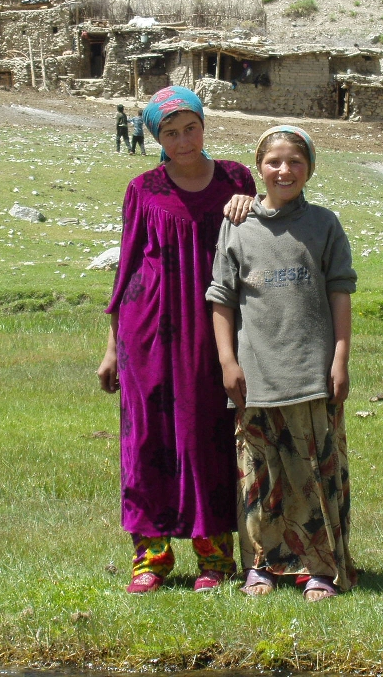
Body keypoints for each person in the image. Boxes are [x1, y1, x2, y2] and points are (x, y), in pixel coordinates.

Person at [97, 86, 257, 594]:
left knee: (207, 432)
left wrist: (248, 203)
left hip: (215, 328)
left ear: (204, 125)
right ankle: (152, 555)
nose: (183, 140)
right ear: (156, 137)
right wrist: (110, 347)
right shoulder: (142, 188)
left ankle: (214, 553)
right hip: (148, 330)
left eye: (190, 127)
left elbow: (261, 236)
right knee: (147, 438)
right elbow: (126, 269)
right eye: (170, 132)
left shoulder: (236, 177)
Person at [206, 125, 357, 602]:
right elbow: (222, 298)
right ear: (259, 167)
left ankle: (321, 567)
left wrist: (340, 359)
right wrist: (228, 361)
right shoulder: (237, 223)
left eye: (295, 161)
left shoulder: (325, 225)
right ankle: (262, 565)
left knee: (314, 472)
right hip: (255, 374)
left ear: (310, 168)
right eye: (274, 161)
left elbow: (340, 292)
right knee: (258, 474)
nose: (284, 170)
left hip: (310, 371)